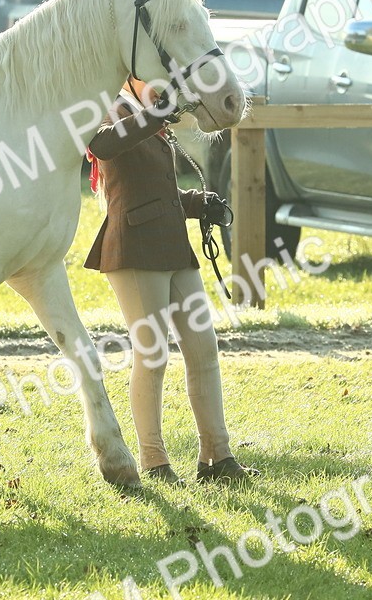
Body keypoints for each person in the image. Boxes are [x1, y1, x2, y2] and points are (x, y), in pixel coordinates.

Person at [84, 78, 258, 485]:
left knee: (203, 349)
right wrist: (159, 112)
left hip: (172, 243)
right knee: (153, 354)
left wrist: (198, 203)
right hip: (133, 245)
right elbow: (103, 145)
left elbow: (155, 190)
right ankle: (154, 460)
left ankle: (217, 456)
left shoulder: (147, 112)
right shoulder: (106, 104)